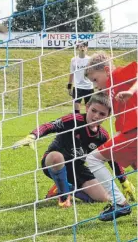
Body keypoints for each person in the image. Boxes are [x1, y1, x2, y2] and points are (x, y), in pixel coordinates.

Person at [12, 93, 133, 213]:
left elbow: (111, 158)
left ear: (107, 116)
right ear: (87, 107)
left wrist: (124, 181)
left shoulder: (102, 136)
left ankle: (66, 188)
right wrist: (33, 136)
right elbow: (50, 125)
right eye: (94, 110)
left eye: (102, 114)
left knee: (103, 198)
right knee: (56, 156)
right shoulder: (73, 120)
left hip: (78, 168)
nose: (96, 116)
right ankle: (64, 196)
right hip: (54, 162)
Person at [84, 52, 137, 221]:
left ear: (106, 70)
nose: (95, 85)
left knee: (93, 159)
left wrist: (130, 91)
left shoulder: (117, 75)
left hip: (134, 132)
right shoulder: (112, 90)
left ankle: (120, 204)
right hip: (129, 133)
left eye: (95, 79)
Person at [68, 42, 93, 114]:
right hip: (77, 87)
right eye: (80, 46)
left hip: (89, 87)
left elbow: (94, 72)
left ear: (86, 48)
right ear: (78, 48)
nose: (82, 48)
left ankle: (88, 124)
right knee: (76, 109)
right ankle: (78, 124)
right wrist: (69, 87)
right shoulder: (73, 60)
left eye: (84, 46)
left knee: (89, 109)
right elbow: (71, 73)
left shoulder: (90, 60)